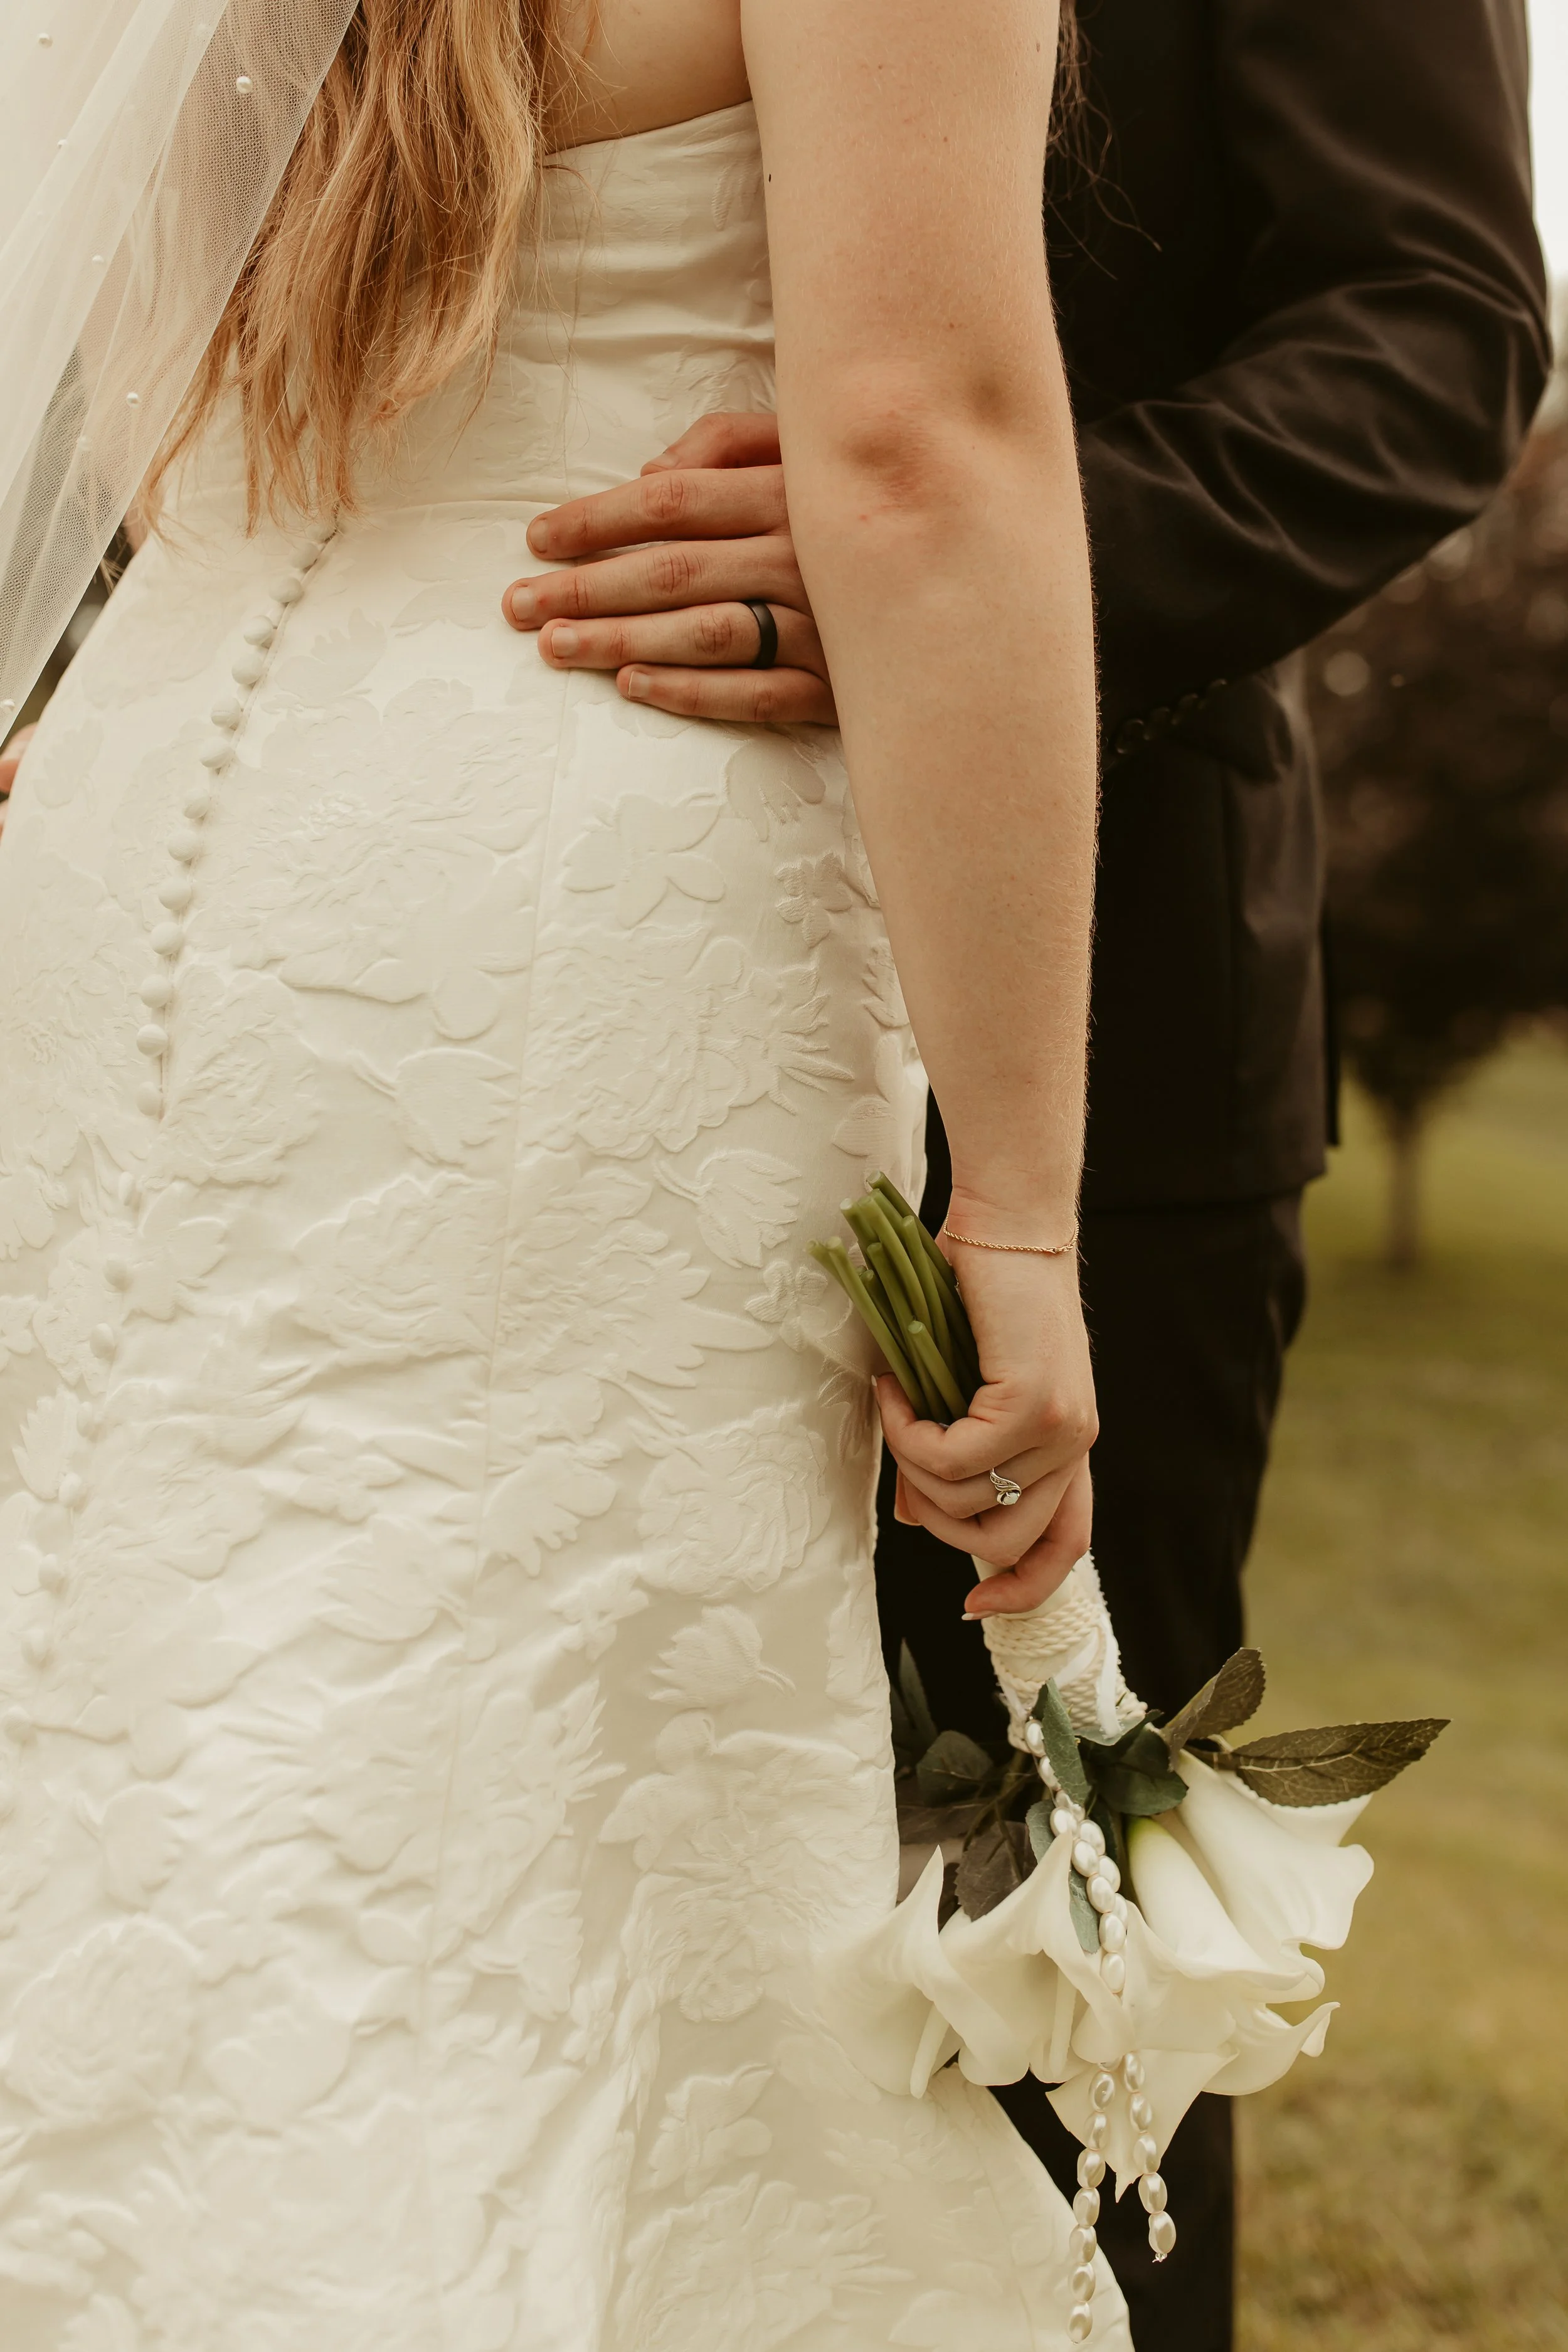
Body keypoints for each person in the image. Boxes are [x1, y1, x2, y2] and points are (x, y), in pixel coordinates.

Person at [0, 1, 1131, 2341]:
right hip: (560, 876)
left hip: (135, 859)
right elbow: (918, 446)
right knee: (497, 1820)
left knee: (154, 1742)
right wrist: (1017, 1211)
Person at [494, 1, 1549, 2343]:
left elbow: (1438, 324)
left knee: (1045, 1967)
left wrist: (939, 570)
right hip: (505, 1038)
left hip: (1110, 1042)